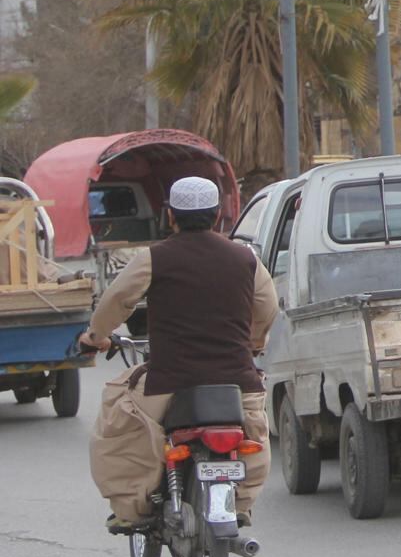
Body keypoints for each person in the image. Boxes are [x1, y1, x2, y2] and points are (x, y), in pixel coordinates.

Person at [81, 176, 278, 530]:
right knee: (254, 437)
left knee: (117, 422)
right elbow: (267, 307)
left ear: (171, 216)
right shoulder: (245, 259)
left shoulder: (154, 258)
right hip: (238, 381)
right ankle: (241, 504)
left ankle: (131, 510)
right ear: (218, 215)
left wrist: (96, 336)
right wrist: (253, 343)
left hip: (169, 382)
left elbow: (116, 300)